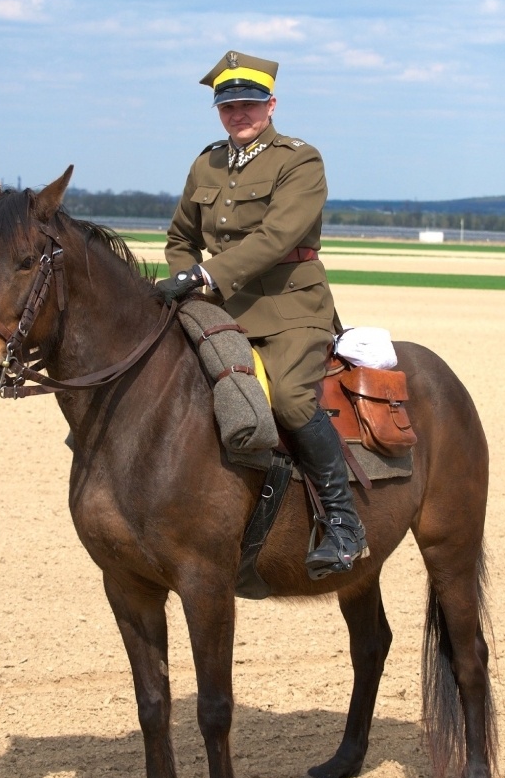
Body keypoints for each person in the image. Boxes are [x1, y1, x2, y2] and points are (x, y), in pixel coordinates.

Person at [157, 51, 369, 580]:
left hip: (289, 307)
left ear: (271, 105)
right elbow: (181, 237)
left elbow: (278, 237)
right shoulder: (205, 163)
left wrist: (207, 276)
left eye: (249, 104)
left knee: (294, 401)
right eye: (228, 106)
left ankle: (344, 523)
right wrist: (186, 279)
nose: (239, 114)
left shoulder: (300, 160)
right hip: (217, 308)